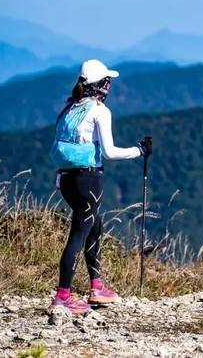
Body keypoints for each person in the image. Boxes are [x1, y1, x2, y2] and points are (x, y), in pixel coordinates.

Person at [49, 59, 152, 314]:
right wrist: (138, 151)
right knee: (79, 234)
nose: (109, 86)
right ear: (102, 85)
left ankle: (97, 287)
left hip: (66, 180)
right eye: (108, 81)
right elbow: (109, 152)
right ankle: (62, 297)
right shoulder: (99, 111)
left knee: (94, 226)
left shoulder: (69, 108)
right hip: (89, 180)